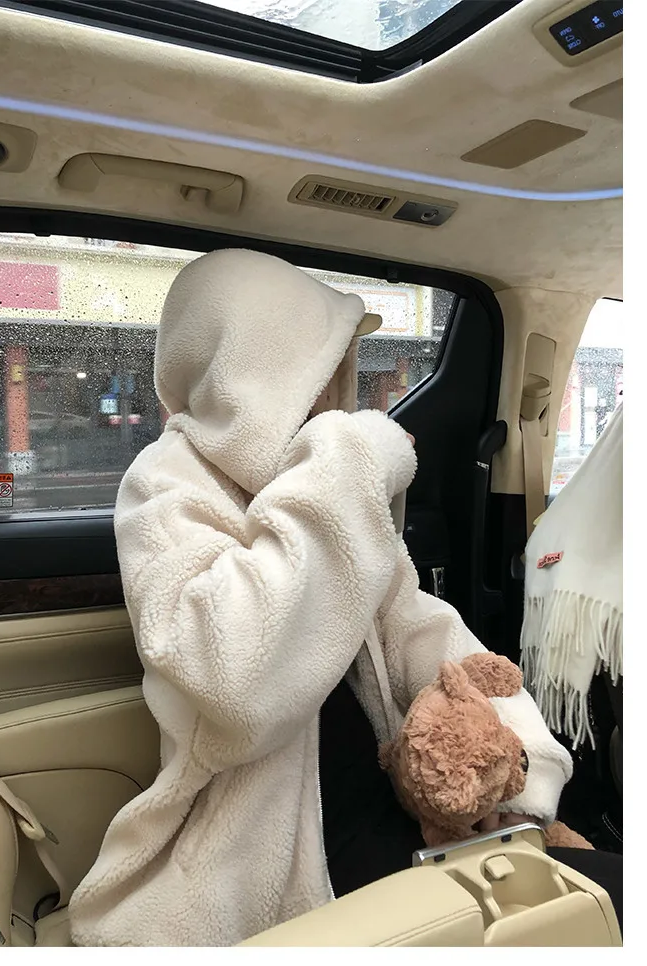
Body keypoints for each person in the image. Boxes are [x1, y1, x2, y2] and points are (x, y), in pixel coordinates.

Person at [68, 250, 619, 946]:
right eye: (325, 368)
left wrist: (521, 778)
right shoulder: (168, 486)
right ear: (259, 373)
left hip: (406, 815)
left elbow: (427, 633)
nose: (341, 394)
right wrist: (349, 462)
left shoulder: (322, 483)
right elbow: (232, 681)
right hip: (263, 858)